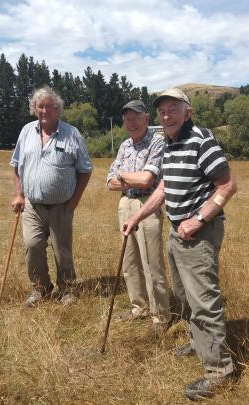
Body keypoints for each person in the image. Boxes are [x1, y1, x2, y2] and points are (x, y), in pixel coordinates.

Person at [122, 88, 237, 400]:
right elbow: (163, 187)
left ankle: (219, 371)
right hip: (177, 231)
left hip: (198, 233)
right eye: (162, 110)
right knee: (184, 295)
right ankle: (199, 343)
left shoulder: (201, 139)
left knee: (203, 299)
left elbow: (227, 185)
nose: (166, 115)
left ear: (188, 112)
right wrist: (139, 217)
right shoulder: (170, 145)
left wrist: (198, 219)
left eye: (173, 109)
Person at [10, 86, 92, 307]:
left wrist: (73, 202)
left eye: (49, 106)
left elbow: (85, 170)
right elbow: (16, 165)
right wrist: (19, 194)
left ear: (58, 109)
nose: (45, 110)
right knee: (32, 245)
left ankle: (67, 289)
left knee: (62, 250)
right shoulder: (26, 131)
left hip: (61, 206)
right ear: (35, 108)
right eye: (40, 106)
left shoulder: (72, 134)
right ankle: (41, 289)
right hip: (32, 206)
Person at [107, 100, 171, 331]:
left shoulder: (157, 141)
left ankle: (160, 315)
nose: (130, 123)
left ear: (146, 119)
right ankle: (139, 307)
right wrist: (127, 178)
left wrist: (122, 175)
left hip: (148, 205)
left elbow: (147, 180)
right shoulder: (124, 145)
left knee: (151, 262)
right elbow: (109, 182)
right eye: (127, 119)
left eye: (135, 118)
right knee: (130, 260)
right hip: (125, 204)